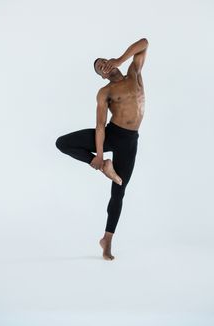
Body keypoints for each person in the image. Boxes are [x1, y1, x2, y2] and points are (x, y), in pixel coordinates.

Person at [55, 38, 149, 260]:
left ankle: (107, 239)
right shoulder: (105, 92)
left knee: (119, 191)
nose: (104, 65)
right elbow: (99, 126)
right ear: (102, 76)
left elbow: (144, 42)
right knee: (63, 143)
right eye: (100, 67)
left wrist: (120, 58)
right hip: (111, 134)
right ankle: (104, 166)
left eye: (105, 61)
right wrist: (98, 157)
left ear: (112, 63)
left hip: (130, 140)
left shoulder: (134, 72)